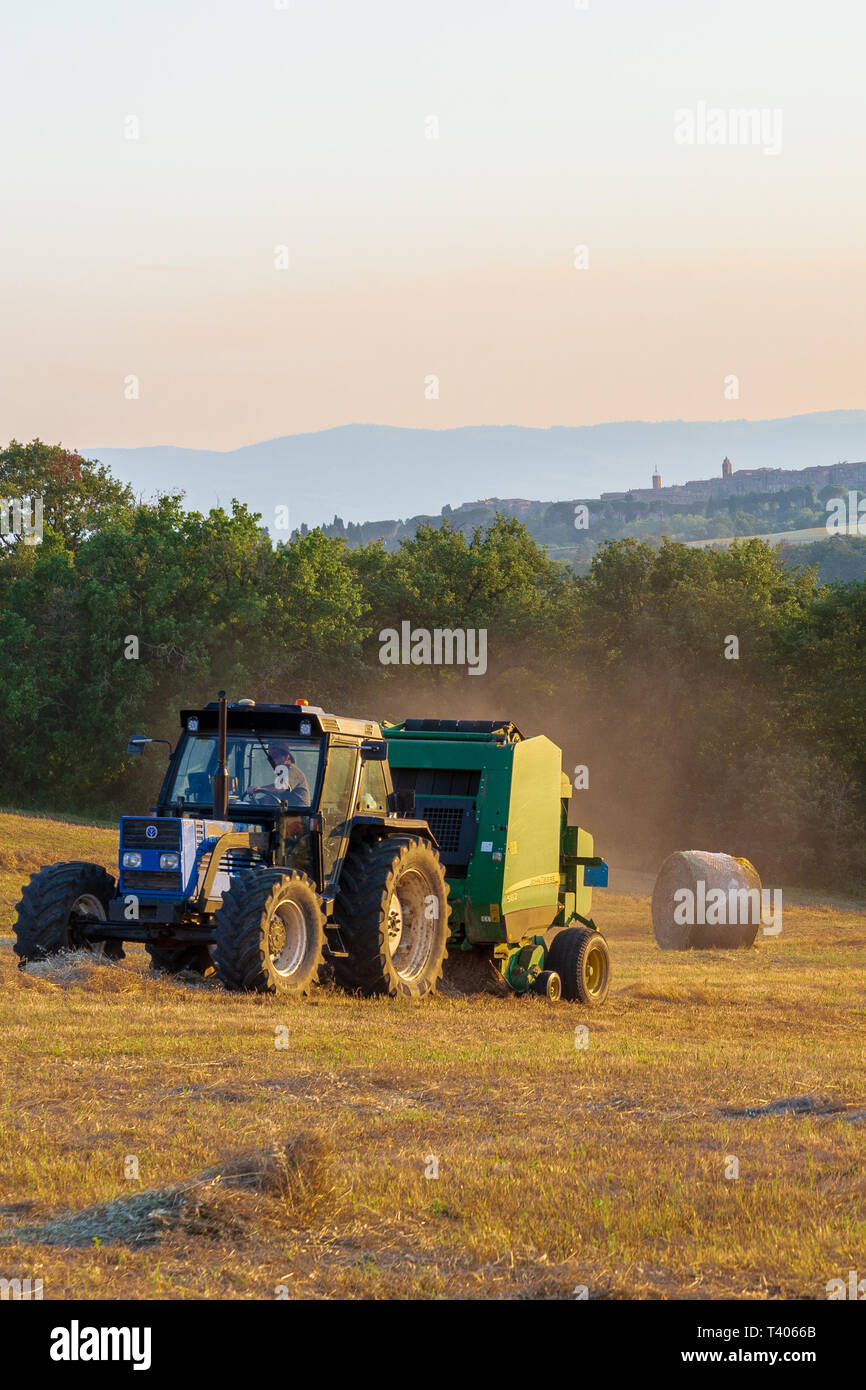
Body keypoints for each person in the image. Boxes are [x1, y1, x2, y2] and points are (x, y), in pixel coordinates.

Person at [249, 741, 310, 805]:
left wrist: (259, 789)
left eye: (275, 756)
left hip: (299, 813)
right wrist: (254, 802)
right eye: (269, 758)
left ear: (286, 756)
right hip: (284, 810)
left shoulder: (292, 771)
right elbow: (272, 795)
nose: (271, 761)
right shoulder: (282, 773)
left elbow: (282, 787)